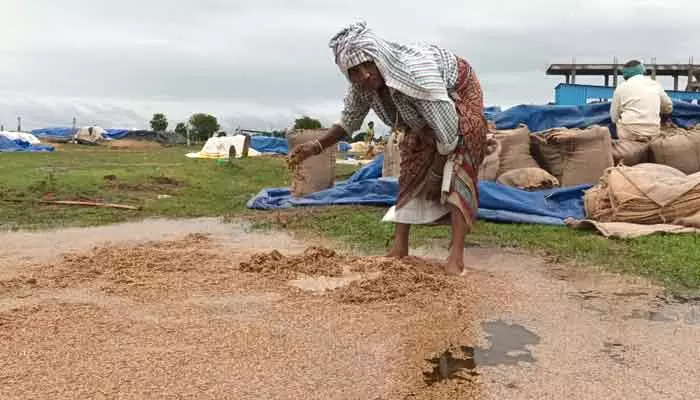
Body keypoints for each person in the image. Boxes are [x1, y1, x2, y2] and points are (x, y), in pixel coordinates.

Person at [287, 21, 487, 275]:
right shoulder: (363, 87)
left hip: (457, 100)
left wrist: (436, 174)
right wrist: (315, 147)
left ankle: (455, 256)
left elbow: (448, 134)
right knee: (411, 167)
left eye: (368, 65)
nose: (365, 75)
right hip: (422, 117)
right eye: (354, 72)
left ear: (379, 57)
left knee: (460, 165)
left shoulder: (416, 75)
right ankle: (399, 246)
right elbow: (348, 121)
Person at [610, 60, 673, 141]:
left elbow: (614, 118)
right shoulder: (655, 84)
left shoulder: (620, 88)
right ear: (643, 71)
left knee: (612, 127)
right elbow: (668, 107)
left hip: (629, 134)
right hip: (653, 133)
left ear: (625, 76)